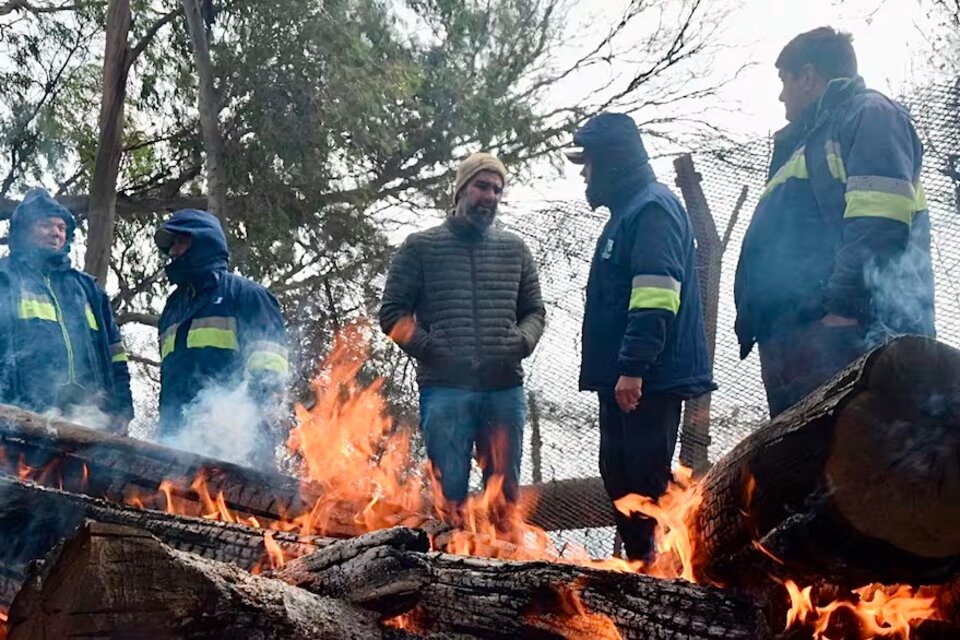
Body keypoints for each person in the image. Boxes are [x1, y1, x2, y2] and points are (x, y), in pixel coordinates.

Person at [734, 27, 935, 418]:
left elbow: (878, 221)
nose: (780, 94)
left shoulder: (869, 114)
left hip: (845, 336)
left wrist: (842, 311)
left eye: (784, 80)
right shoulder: (804, 141)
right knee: (801, 471)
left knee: (856, 464)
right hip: (794, 339)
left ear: (808, 76)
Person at [567, 113, 715, 562]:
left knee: (647, 484)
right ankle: (639, 570)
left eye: (588, 164)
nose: (585, 175)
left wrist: (634, 366)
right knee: (620, 477)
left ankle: (664, 573)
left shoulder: (651, 209)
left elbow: (656, 293)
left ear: (612, 161)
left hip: (647, 380)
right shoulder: (628, 213)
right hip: (623, 380)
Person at [379, 152, 545, 519]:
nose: (490, 196)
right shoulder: (420, 247)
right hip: (445, 390)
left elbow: (534, 311)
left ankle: (509, 571)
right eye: (482, 186)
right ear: (460, 190)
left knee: (505, 499)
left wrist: (521, 341)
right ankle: (449, 568)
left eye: (497, 190)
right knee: (448, 497)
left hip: (504, 389)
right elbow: (392, 314)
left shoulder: (514, 249)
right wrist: (431, 348)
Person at [155, 209, 289, 470]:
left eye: (181, 242)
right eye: (171, 245)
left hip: (239, 444)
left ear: (204, 242)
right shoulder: (172, 309)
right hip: (178, 442)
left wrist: (247, 433)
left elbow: (269, 374)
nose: (173, 252)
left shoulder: (248, 295)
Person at [0, 188, 133, 432]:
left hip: (91, 417)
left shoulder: (88, 289)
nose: (56, 233)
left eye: (61, 228)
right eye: (46, 225)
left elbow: (116, 353)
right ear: (25, 230)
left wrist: (123, 408)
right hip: (19, 419)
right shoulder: (4, 278)